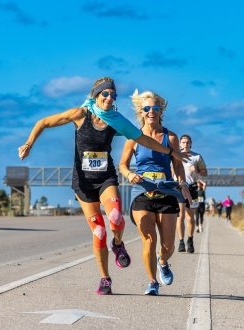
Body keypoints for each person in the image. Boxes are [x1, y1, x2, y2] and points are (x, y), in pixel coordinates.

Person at [18, 77, 186, 295]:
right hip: (83, 182)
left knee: (115, 217)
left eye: (113, 95)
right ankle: (105, 278)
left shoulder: (116, 120)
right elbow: (44, 122)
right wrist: (28, 144)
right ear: (96, 95)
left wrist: (171, 152)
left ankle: (118, 243)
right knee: (98, 231)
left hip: (106, 178)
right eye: (104, 94)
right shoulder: (80, 114)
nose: (109, 98)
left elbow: (144, 140)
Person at [119, 89, 190, 295]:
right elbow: (122, 165)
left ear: (161, 112)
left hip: (166, 191)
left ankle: (162, 261)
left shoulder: (171, 137)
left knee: (168, 246)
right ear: (141, 112)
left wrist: (183, 183)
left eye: (155, 108)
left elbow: (177, 166)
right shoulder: (133, 138)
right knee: (149, 239)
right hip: (142, 191)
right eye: (147, 108)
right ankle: (152, 282)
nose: (151, 112)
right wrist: (129, 175)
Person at [176, 134, 208, 253]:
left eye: (187, 142)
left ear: (191, 143)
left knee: (190, 217)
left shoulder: (197, 157)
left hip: (192, 188)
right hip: (179, 187)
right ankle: (181, 242)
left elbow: (205, 173)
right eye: (183, 142)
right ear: (180, 143)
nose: (185, 144)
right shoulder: (176, 155)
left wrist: (197, 170)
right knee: (180, 216)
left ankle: (190, 239)